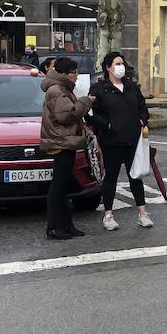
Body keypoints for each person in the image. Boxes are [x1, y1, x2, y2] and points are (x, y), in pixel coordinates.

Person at [89, 52, 153, 231]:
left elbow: (142, 108)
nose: (121, 66)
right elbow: (91, 114)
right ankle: (108, 215)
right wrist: (107, 125)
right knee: (111, 177)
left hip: (133, 140)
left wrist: (142, 120)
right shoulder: (99, 89)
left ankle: (143, 213)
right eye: (117, 63)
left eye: (122, 63)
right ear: (108, 67)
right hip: (111, 142)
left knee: (136, 176)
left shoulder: (132, 87)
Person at [40, 56, 95, 241]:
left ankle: (66, 225)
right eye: (74, 72)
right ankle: (54, 227)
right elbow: (67, 114)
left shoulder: (61, 88)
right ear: (64, 74)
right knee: (58, 187)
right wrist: (86, 101)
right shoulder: (57, 90)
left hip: (65, 142)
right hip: (61, 142)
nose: (77, 75)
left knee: (63, 186)